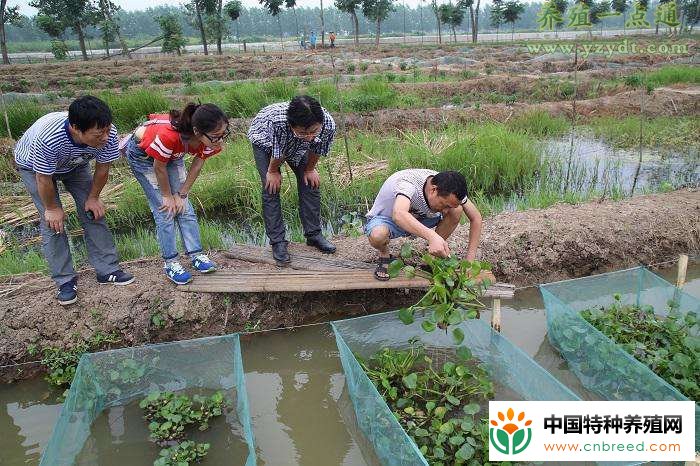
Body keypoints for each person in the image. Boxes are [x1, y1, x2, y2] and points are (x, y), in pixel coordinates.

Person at [14, 95, 134, 305]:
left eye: (107, 131)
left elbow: (103, 167)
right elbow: (43, 178)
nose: (106, 137)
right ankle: (65, 281)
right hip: (34, 168)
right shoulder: (48, 138)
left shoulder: (108, 132)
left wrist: (94, 198)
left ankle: (107, 270)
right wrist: (51, 208)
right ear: (76, 128)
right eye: (99, 134)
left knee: (93, 212)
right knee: (53, 222)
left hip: (76, 165)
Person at [123, 103, 229, 285]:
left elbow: (197, 164)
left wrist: (181, 194)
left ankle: (196, 254)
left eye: (223, 134)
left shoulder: (210, 139)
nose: (220, 140)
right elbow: (159, 167)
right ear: (197, 132)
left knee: (184, 207)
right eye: (215, 136)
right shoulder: (169, 136)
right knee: (166, 210)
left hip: (172, 155)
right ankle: (171, 262)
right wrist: (167, 196)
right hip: (144, 157)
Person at [247, 95, 336, 266]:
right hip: (265, 140)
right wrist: (272, 171)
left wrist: (310, 169)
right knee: (271, 187)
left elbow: (317, 147)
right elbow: (278, 151)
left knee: (310, 182)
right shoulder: (278, 122)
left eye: (314, 131)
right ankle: (278, 242)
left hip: (294, 143)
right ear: (291, 124)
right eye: (304, 132)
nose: (310, 137)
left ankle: (314, 235)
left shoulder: (327, 124)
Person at [364, 169, 483, 281]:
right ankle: (384, 254)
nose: (446, 211)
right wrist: (432, 236)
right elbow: (398, 214)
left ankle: (430, 259)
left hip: (422, 217)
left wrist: (470, 262)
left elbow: (476, 218)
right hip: (389, 220)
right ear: (433, 190)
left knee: (456, 210)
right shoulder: (407, 185)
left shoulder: (451, 189)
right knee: (377, 235)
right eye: (444, 205)